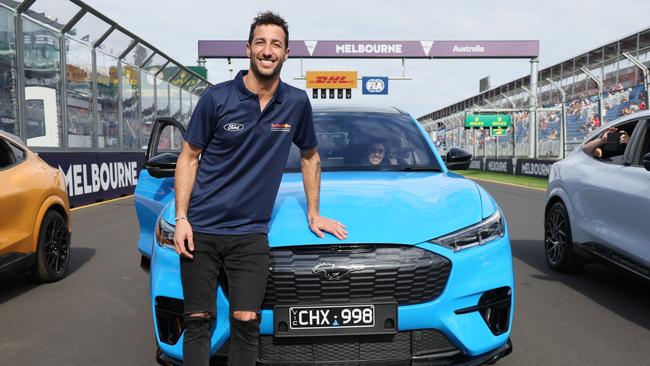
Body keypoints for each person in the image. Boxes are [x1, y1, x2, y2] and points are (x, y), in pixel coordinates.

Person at [172, 12, 348, 366]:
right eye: (261, 43)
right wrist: (181, 218)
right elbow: (189, 157)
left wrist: (314, 214)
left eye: (276, 44)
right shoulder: (217, 99)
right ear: (248, 49)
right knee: (197, 321)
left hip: (250, 235)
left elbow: (311, 157)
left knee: (246, 322)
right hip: (201, 231)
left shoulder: (296, 103)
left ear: (286, 53)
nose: (268, 51)